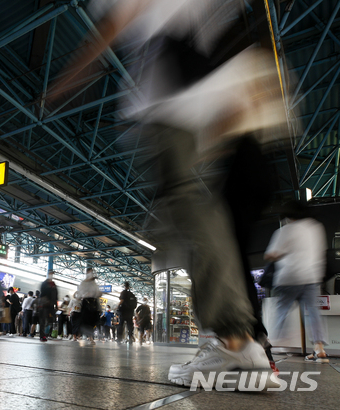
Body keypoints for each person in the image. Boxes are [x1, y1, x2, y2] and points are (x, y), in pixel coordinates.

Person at [54, 0, 285, 386]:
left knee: (186, 207)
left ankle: (233, 338)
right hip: (194, 102)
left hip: (167, 104)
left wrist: (71, 74)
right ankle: (239, 340)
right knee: (190, 209)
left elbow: (118, 20)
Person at [264, 200, 329, 363]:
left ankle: (273, 342)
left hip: (289, 278)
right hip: (311, 277)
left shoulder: (285, 230)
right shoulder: (316, 227)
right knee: (313, 313)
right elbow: (321, 252)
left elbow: (270, 254)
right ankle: (319, 349)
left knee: (282, 309)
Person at [77, 268, 102, 345]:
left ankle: (89, 336)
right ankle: (86, 336)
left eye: (91, 272)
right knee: (85, 320)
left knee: (93, 321)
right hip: (86, 302)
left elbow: (98, 294)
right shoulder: (83, 283)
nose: (91, 273)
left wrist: (100, 307)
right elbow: (80, 294)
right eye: (89, 272)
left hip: (93, 303)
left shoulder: (94, 283)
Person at [38, 270, 58, 342]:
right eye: (51, 274)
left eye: (52, 274)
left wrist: (56, 304)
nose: (52, 275)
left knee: (51, 320)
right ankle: (42, 335)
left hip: (51, 305)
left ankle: (48, 334)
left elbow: (56, 295)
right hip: (44, 305)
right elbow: (42, 293)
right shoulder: (44, 283)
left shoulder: (54, 284)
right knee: (43, 321)